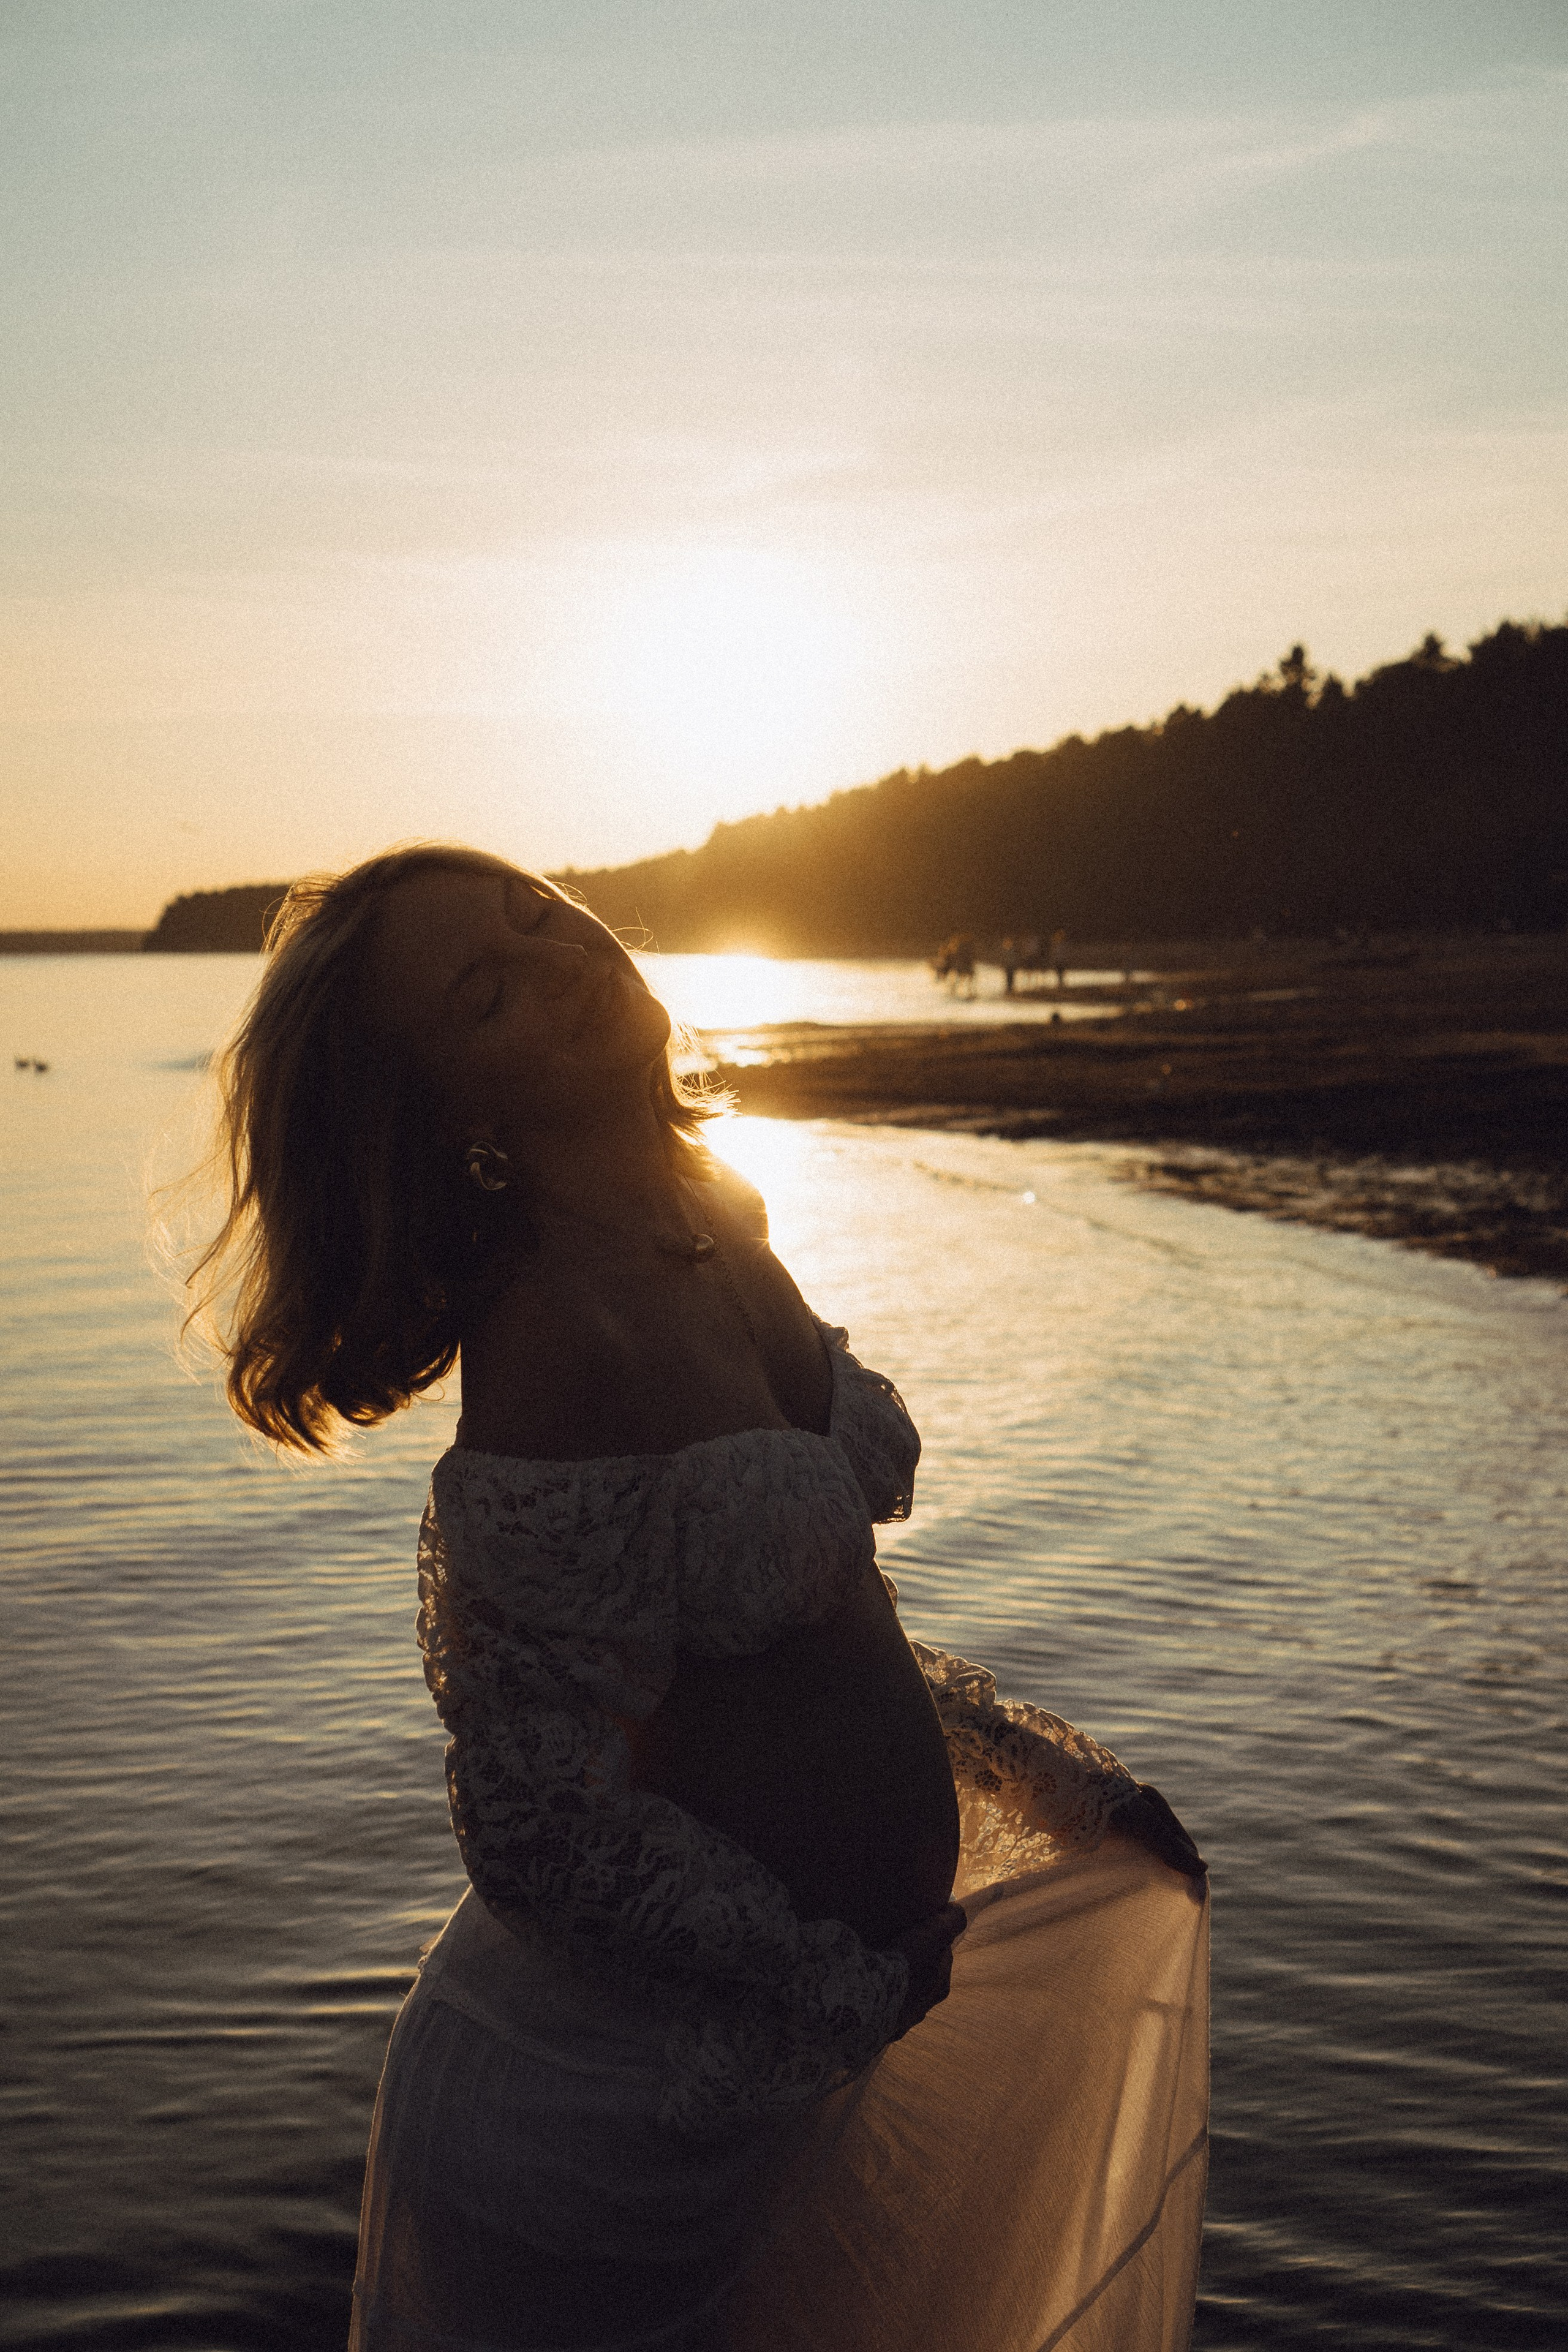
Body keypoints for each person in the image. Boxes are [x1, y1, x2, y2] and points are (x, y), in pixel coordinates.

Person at [187, 843, 1210, 2352]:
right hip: (603, 2132)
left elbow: (800, 1633)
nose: (560, 958)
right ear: (455, 1117)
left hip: (773, 2069)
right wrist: (834, 1982)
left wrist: (1059, 1790)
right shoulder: (552, 1343)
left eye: (538, 915)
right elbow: (540, 1819)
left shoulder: (704, 1207)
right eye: (487, 991)